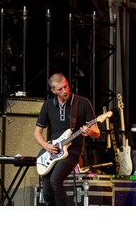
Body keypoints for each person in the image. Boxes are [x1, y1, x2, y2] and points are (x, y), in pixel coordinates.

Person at [33, 73, 101, 206]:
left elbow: (97, 132)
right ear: (53, 91)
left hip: (72, 152)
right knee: (46, 191)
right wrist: (45, 146)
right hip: (51, 151)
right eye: (60, 89)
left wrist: (90, 132)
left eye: (66, 87)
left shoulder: (82, 102)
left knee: (55, 180)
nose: (64, 91)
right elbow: (37, 133)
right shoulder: (47, 105)